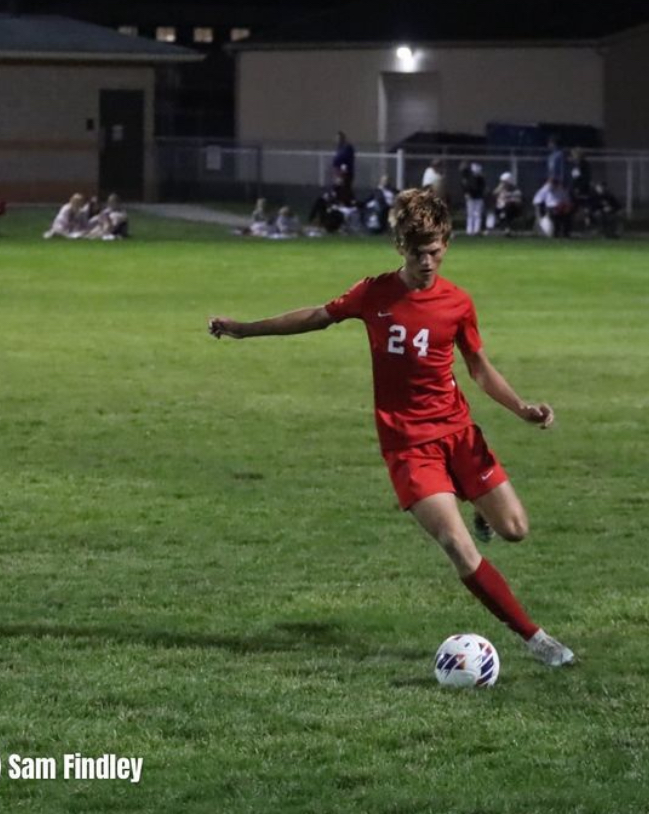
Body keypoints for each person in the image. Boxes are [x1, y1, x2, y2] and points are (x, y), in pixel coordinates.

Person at [209, 188, 575, 668]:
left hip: (459, 433)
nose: (428, 261)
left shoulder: (458, 304)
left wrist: (523, 409)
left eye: (436, 251)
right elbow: (318, 316)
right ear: (400, 247)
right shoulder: (373, 292)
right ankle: (537, 639)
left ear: (446, 244)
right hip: (408, 446)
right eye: (419, 252)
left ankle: (480, 506)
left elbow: (480, 368)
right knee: (458, 548)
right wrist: (243, 328)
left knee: (516, 530)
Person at [460, 162, 486, 235]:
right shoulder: (468, 178)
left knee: (477, 214)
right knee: (470, 214)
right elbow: (466, 187)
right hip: (471, 198)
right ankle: (469, 230)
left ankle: (476, 230)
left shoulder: (481, 178)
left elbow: (482, 188)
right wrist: (466, 193)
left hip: (478, 198)